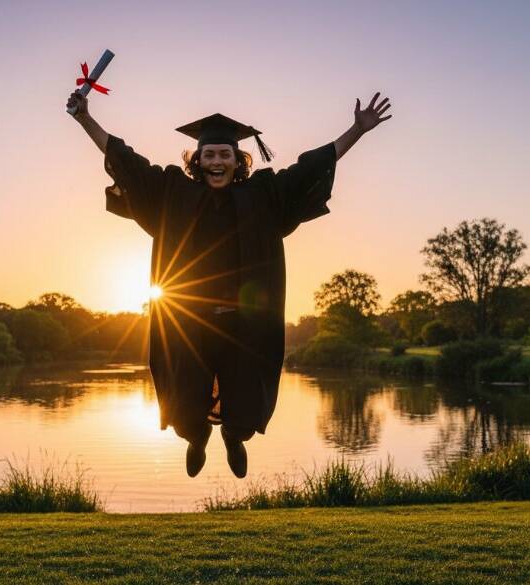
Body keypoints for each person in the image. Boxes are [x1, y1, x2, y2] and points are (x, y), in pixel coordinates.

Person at [67, 90, 391, 478]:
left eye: (225, 154)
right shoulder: (174, 193)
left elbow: (311, 168)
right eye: (209, 155)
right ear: (197, 161)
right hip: (187, 322)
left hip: (245, 325)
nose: (217, 161)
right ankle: (196, 437)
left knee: (244, 393)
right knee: (185, 393)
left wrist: (356, 130)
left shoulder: (262, 196)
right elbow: (128, 162)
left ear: (238, 160)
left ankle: (234, 439)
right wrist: (85, 119)